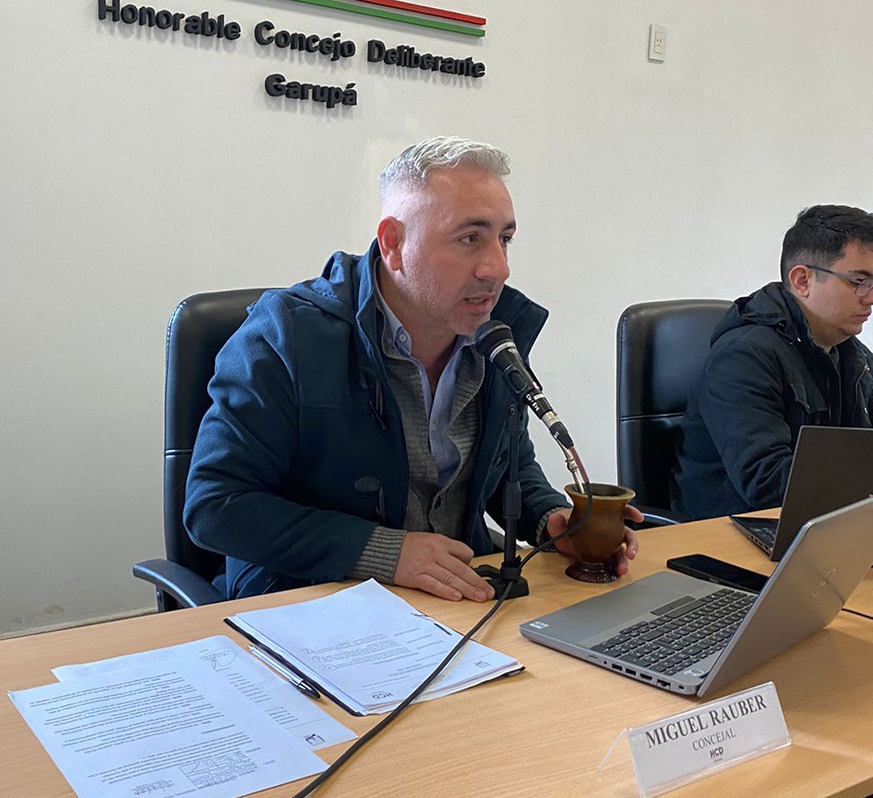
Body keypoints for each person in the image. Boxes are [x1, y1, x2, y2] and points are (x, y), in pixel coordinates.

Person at [184, 136, 640, 601]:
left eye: (504, 239)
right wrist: (385, 552)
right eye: (470, 238)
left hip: (456, 601)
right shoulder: (286, 335)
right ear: (394, 244)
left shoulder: (495, 334)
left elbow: (508, 464)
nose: (498, 268)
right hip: (311, 598)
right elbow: (215, 505)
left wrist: (552, 520)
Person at [673, 204, 873, 520]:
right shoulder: (743, 356)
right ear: (802, 280)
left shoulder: (852, 355)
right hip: (730, 532)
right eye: (859, 281)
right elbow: (766, 483)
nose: (870, 297)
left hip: (820, 525)